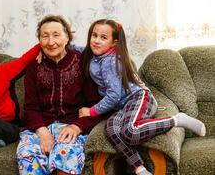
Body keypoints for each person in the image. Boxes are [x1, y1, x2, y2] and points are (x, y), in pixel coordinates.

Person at [78, 19, 206, 175]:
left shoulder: (110, 62)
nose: (96, 40)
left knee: (130, 132)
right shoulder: (95, 56)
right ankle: (139, 168)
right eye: (94, 35)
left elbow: (113, 96)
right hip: (123, 106)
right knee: (111, 129)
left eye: (103, 37)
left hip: (139, 98)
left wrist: (91, 111)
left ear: (114, 43)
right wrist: (60, 41)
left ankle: (177, 119)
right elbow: (75, 49)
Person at [16, 15, 102, 175]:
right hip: (40, 127)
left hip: (72, 126)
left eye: (56, 35)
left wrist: (77, 127)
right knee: (27, 154)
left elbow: (96, 105)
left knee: (65, 154)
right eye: (45, 36)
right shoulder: (33, 66)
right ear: (39, 40)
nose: (50, 42)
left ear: (67, 37)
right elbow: (30, 107)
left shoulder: (83, 62)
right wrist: (43, 133)